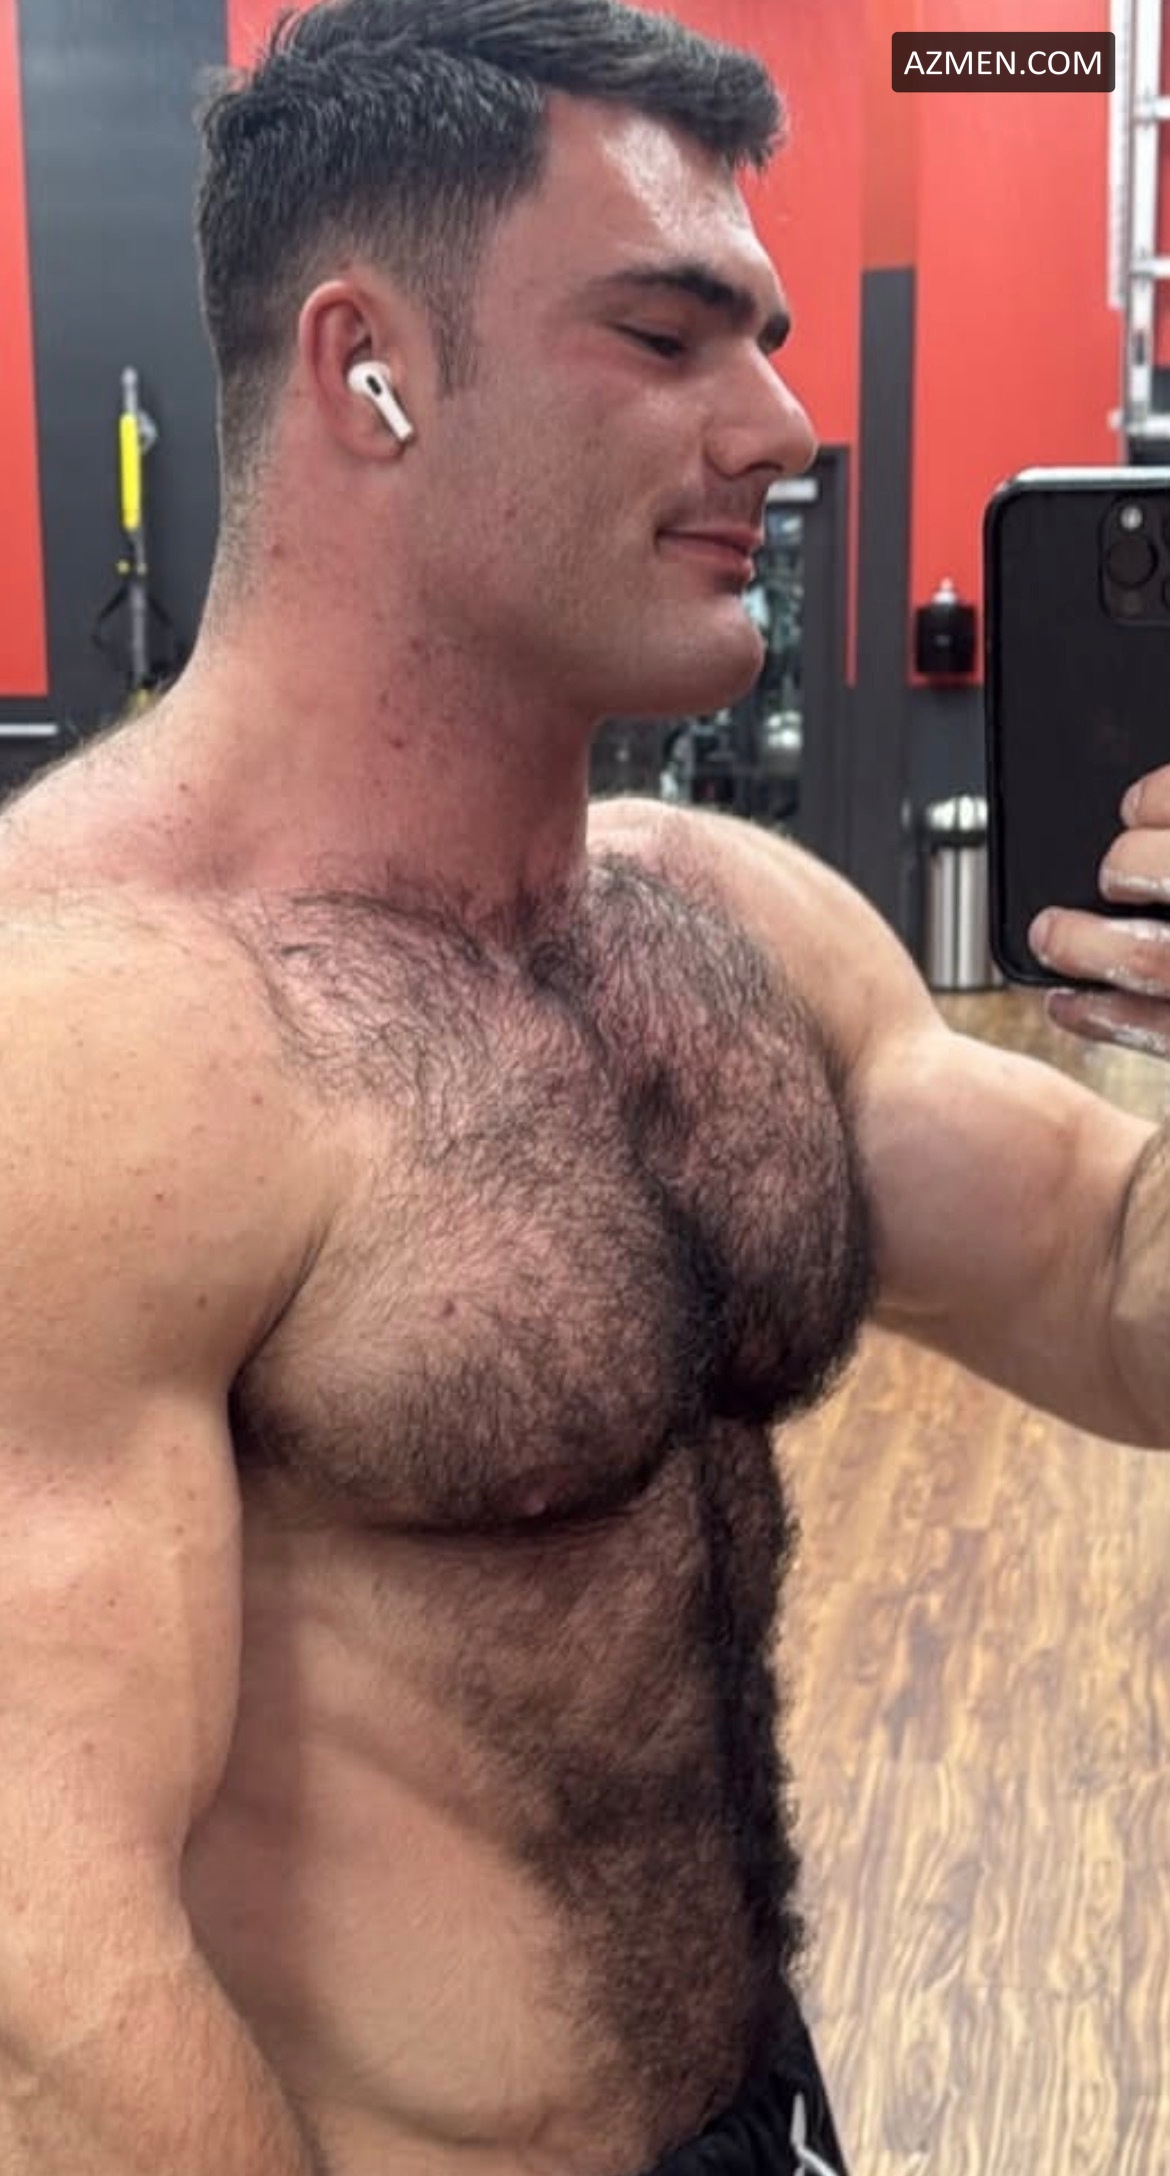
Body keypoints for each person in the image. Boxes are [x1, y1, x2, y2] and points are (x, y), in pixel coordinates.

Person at [1, 3, 1168, 2172]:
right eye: (665, 334)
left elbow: (1114, 1291)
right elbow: (47, 1993)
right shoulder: (82, 1045)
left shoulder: (716, 920)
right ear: (371, 367)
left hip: (763, 2102)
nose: (786, 424)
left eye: (771, 341)